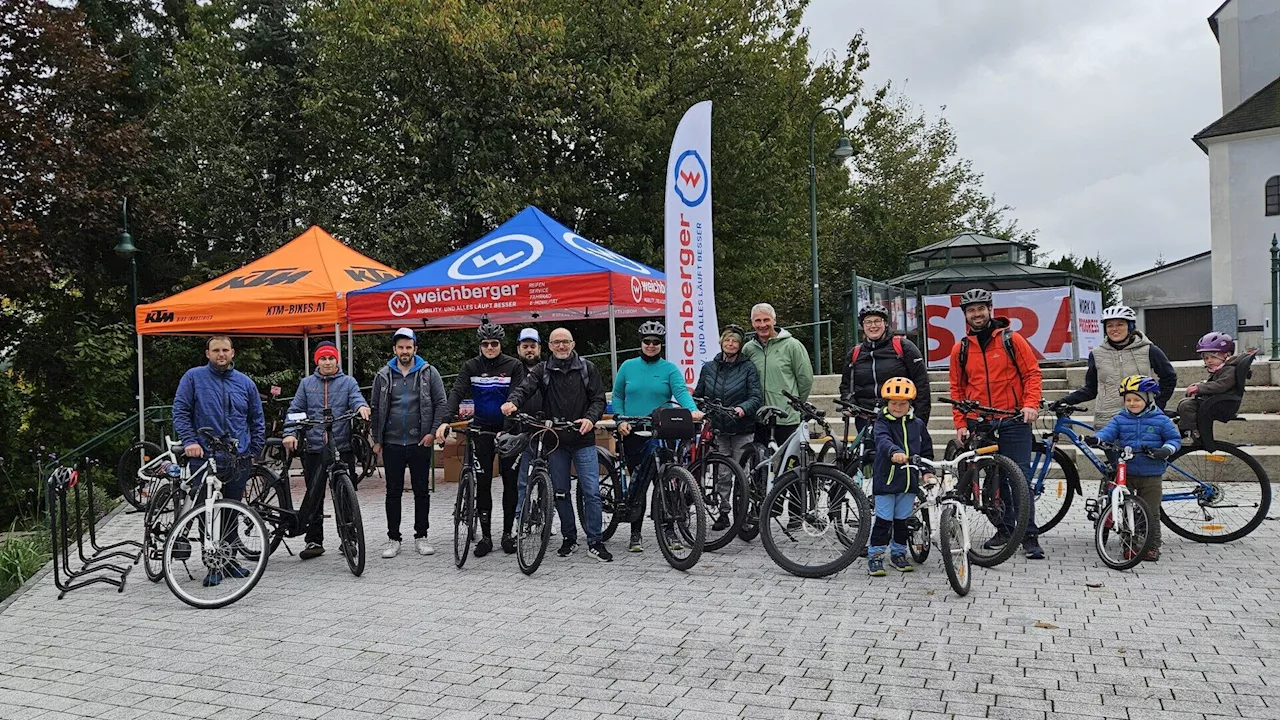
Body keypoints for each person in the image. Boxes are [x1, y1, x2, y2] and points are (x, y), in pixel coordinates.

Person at [947, 288, 1046, 560]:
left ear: (990, 309)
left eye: (980, 308)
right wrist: (960, 422)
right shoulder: (961, 348)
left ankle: (1029, 536)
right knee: (993, 482)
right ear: (965, 315)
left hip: (1013, 419)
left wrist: (1030, 404)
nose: (976, 314)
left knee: (1020, 479)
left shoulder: (1012, 340)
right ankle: (1004, 529)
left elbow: (1032, 374)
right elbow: (957, 388)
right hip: (982, 422)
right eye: (970, 310)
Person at [502, 328, 611, 562]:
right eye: (556, 343)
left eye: (565, 342)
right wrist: (512, 402)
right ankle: (569, 538)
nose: (561, 346)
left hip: (583, 439)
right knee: (561, 492)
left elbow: (598, 399)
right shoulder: (542, 371)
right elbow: (524, 389)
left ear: (572, 344)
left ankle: (595, 541)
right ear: (549, 346)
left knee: (591, 492)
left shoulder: (586, 368)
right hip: (556, 442)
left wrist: (590, 419)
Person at [171, 335, 265, 586]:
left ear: (233, 352)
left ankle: (230, 560)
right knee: (207, 513)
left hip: (237, 457)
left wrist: (254, 450)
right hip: (203, 456)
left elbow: (256, 418)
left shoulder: (245, 383)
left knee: (232, 510)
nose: (221, 354)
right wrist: (190, 442)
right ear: (207, 353)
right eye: (216, 350)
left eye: (225, 350)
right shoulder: (193, 378)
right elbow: (180, 411)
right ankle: (213, 563)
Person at [612, 321, 703, 552]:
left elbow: (681, 392)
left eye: (656, 343)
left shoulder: (669, 369)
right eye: (647, 342)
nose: (651, 346)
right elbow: (618, 395)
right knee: (638, 482)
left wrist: (692, 411)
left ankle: (669, 531)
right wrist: (621, 420)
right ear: (641, 343)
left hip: (661, 431)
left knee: (665, 483)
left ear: (661, 345)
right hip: (633, 430)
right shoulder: (627, 366)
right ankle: (635, 533)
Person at [437, 322, 523, 557]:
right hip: (482, 430)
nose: (490, 347)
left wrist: (509, 419)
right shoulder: (471, 366)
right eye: (485, 344)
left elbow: (517, 393)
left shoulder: (514, 365)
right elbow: (456, 392)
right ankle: (486, 537)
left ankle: (508, 534)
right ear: (480, 346)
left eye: (494, 343)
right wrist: (445, 420)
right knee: (483, 485)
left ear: (500, 344)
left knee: (510, 483)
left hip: (508, 431)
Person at [282, 341, 371, 560]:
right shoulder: (306, 384)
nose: (328, 362)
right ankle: (314, 540)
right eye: (323, 358)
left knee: (345, 494)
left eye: (331, 358)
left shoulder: (348, 382)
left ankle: (349, 538)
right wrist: (290, 433)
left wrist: (361, 407)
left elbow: (357, 397)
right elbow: (295, 410)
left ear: (337, 360)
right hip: (314, 447)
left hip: (342, 446)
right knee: (315, 494)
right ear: (317, 361)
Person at [371, 327, 447, 559]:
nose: (405, 351)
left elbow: (441, 403)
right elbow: (375, 408)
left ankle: (421, 537)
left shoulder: (429, 372)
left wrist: (432, 433)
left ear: (415, 348)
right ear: (394, 349)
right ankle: (393, 538)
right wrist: (377, 440)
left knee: (421, 491)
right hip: (392, 443)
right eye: (401, 347)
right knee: (392, 492)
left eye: (408, 347)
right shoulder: (383, 375)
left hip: (420, 442)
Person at [1091, 375, 1180, 561]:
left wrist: (1166, 450)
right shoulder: (1120, 418)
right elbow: (1108, 432)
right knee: (1125, 509)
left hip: (1151, 473)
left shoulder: (1161, 420)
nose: (1132, 403)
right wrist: (1098, 438)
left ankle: (1152, 546)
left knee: (1151, 512)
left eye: (1137, 399)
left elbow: (1174, 439)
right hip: (1127, 472)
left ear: (1148, 399)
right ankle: (1130, 544)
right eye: (1128, 400)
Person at [1057, 305, 1178, 428]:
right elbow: (1091, 389)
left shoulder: (1149, 350)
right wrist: (1064, 401)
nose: (1114, 329)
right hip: (1108, 419)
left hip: (1142, 417)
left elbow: (1169, 378)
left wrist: (1158, 404)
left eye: (1120, 324)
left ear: (1130, 326)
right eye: (1110, 325)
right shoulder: (1097, 354)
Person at [692, 323, 762, 532]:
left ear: (740, 345)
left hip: (742, 428)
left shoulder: (748, 367)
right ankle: (724, 512)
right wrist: (699, 407)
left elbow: (756, 397)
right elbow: (699, 395)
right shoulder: (709, 368)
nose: (731, 344)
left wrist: (742, 408)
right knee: (723, 473)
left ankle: (744, 511)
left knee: (743, 472)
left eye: (735, 341)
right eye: (727, 340)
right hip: (719, 429)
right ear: (721, 342)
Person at [868, 378, 934, 576]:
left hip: (908, 483)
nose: (898, 407)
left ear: (910, 404)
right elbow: (882, 440)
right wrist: (894, 452)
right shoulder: (881, 422)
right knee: (884, 520)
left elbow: (926, 449)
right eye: (894, 403)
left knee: (902, 521)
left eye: (902, 403)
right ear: (887, 403)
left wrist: (927, 470)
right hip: (886, 481)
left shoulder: (918, 424)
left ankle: (898, 553)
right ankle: (876, 555)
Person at [839, 303, 930, 421]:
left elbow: (921, 383)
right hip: (865, 416)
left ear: (885, 323)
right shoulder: (855, 353)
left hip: (898, 414)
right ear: (863, 325)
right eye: (868, 322)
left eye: (877, 321)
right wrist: (848, 402)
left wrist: (920, 421)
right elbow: (846, 384)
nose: (873, 326)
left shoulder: (903, 347)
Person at [742, 303, 814, 447]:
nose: (762, 325)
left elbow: (805, 379)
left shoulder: (792, 345)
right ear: (752, 323)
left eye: (766, 320)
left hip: (786, 417)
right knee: (760, 464)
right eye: (758, 320)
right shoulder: (748, 349)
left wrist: (795, 404)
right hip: (759, 417)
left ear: (774, 321)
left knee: (788, 465)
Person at [1176, 332, 1248, 438]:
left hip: (1221, 405)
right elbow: (1215, 383)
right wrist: (1200, 385)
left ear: (1226, 355)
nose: (1209, 361)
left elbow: (1221, 385)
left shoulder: (1229, 369)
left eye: (1213, 357)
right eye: (1205, 358)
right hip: (1216, 402)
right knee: (1184, 403)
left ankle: (1194, 431)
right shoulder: (1224, 368)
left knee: (1187, 406)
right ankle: (1186, 425)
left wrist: (1199, 388)